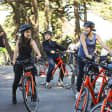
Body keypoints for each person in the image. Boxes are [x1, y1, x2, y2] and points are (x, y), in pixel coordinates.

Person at [76, 21, 112, 98]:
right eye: (85, 27)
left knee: (95, 72)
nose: (85, 29)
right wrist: (87, 54)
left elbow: (103, 45)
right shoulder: (83, 35)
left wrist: (110, 51)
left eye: (87, 28)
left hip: (91, 57)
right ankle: (78, 91)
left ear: (91, 28)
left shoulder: (96, 36)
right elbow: (84, 46)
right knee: (81, 73)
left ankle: (92, 88)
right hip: (82, 56)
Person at [12, 24, 41, 104]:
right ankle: (13, 95)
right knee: (16, 80)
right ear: (23, 33)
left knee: (32, 78)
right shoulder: (19, 41)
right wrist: (14, 60)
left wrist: (39, 54)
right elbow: (15, 52)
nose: (29, 33)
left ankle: (34, 94)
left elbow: (36, 48)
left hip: (28, 60)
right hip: (20, 61)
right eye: (27, 32)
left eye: (29, 32)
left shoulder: (31, 41)